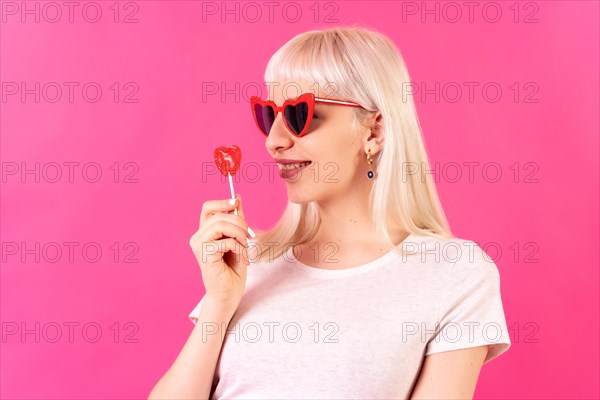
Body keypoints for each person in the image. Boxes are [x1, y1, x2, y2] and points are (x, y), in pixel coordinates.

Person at [148, 26, 511, 399]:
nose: (274, 141)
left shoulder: (454, 272)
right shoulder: (248, 261)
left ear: (374, 130)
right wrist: (219, 302)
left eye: (299, 115)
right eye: (267, 116)